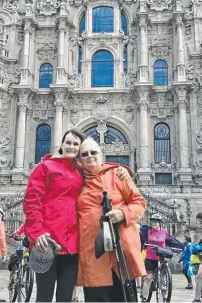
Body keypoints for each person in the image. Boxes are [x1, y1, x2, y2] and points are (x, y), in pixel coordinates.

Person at [23, 129, 130, 302]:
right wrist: (37, 232)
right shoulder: (45, 167)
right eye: (68, 142)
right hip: (47, 241)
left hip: (72, 245)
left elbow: (100, 170)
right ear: (61, 145)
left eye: (75, 144)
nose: (71, 146)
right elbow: (32, 201)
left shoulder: (80, 170)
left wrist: (123, 170)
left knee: (65, 297)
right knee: (44, 296)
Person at [76, 138, 147, 302]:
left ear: (101, 155)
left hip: (120, 252)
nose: (90, 156)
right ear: (79, 159)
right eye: (84, 154)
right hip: (92, 253)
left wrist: (123, 213)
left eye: (94, 152)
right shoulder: (75, 181)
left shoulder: (117, 174)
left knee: (123, 297)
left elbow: (139, 203)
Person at [140, 214, 183, 302]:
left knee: (163, 278)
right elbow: (140, 238)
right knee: (148, 277)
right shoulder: (147, 231)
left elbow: (172, 241)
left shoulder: (164, 232)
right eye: (152, 221)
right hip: (150, 257)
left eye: (156, 221)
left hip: (161, 257)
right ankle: (144, 298)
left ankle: (164, 297)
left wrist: (181, 247)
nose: (154, 223)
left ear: (160, 223)